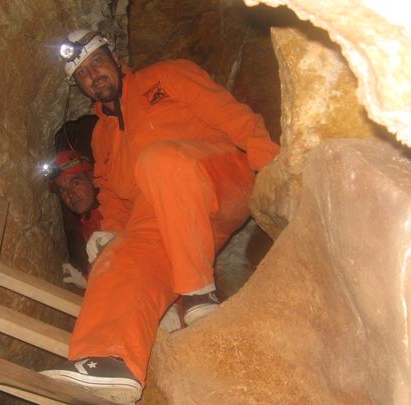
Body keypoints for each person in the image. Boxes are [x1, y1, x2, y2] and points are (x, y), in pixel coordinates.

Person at [42, 30, 280, 403]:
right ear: (79, 86)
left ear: (115, 58)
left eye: (97, 62)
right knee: (116, 259)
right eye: (83, 73)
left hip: (220, 178)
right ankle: (110, 362)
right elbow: (115, 198)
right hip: (171, 219)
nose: (94, 74)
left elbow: (236, 119)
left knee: (159, 161)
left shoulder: (166, 77)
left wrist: (274, 176)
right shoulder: (103, 138)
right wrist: (110, 234)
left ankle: (197, 293)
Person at [47, 150, 102, 287]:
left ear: (92, 178)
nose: (70, 194)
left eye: (75, 183)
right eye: (62, 190)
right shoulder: (86, 221)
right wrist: (87, 280)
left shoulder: (117, 210)